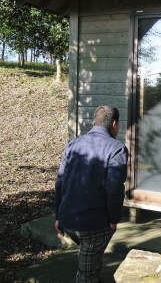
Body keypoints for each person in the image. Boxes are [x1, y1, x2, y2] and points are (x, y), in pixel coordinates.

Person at [55, 106, 128, 283]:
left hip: (68, 220)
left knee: (89, 257)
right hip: (94, 224)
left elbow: (60, 181)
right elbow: (114, 189)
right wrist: (113, 219)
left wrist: (58, 215)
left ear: (94, 122)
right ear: (115, 124)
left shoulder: (74, 144)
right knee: (86, 273)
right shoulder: (116, 148)